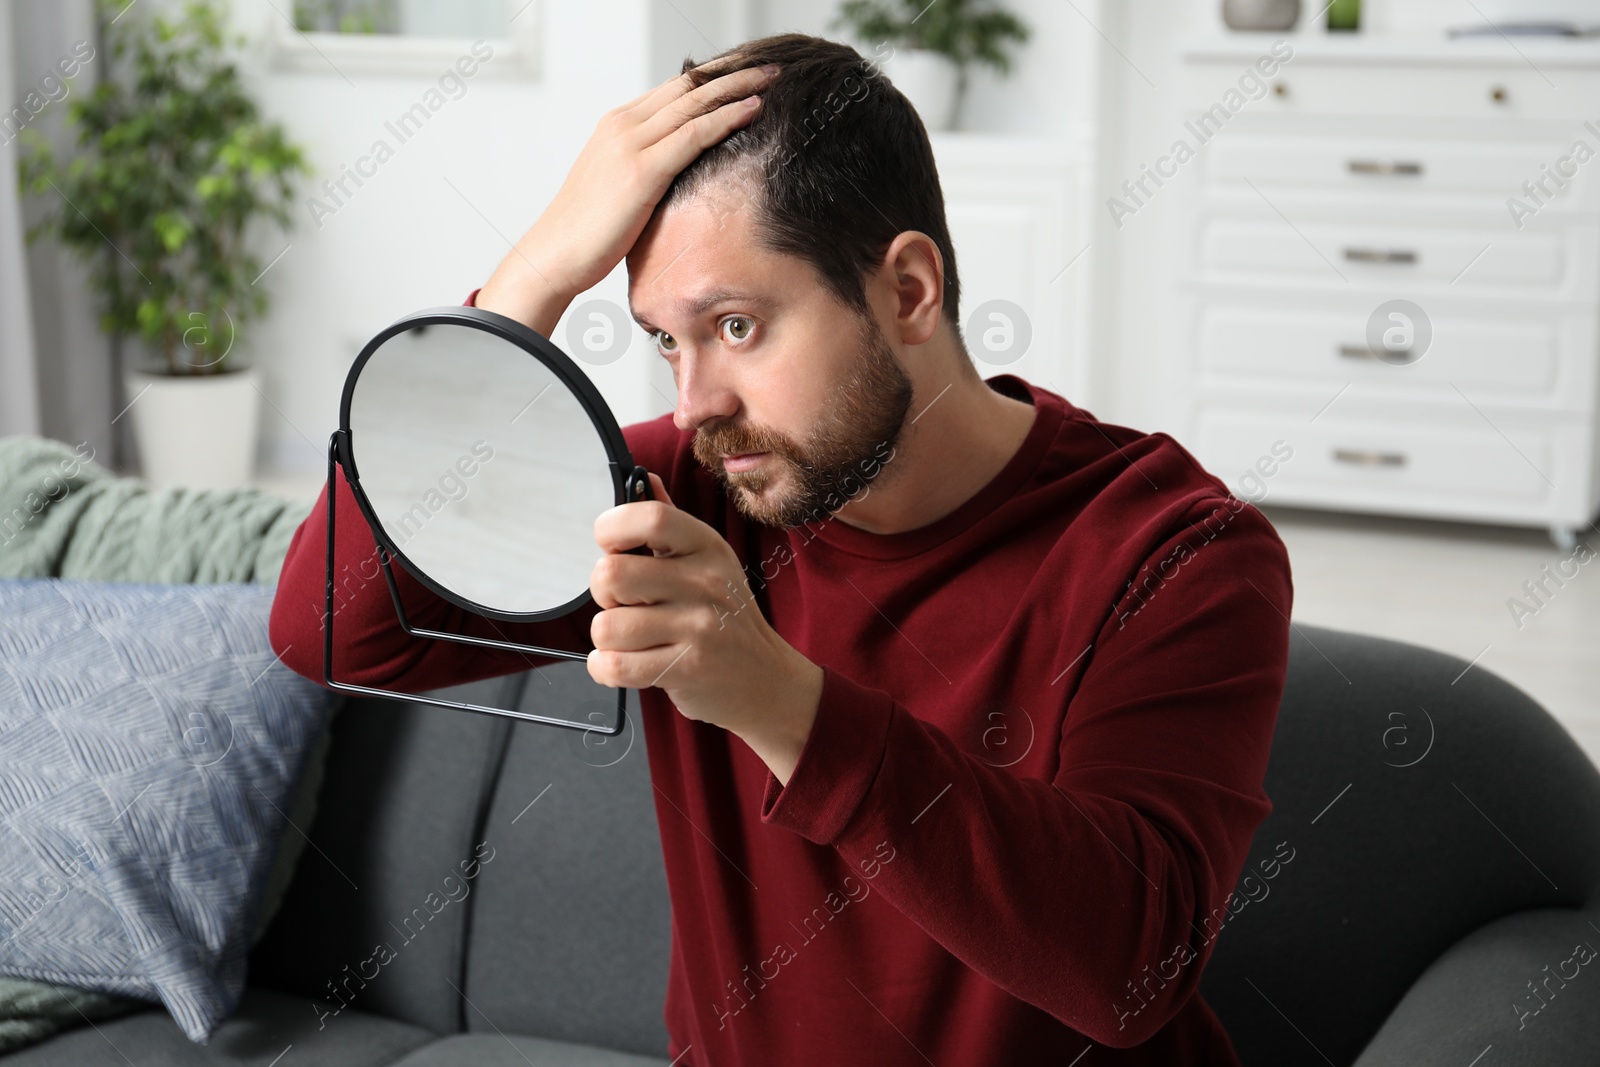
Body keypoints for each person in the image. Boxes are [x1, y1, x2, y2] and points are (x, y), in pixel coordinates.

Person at [270, 32, 1294, 1066]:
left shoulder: (1176, 551)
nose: (696, 400)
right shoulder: (692, 491)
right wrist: (528, 282)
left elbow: (1130, 971)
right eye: (667, 338)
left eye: (737, 324)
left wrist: (774, 695)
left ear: (906, 290)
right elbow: (334, 628)